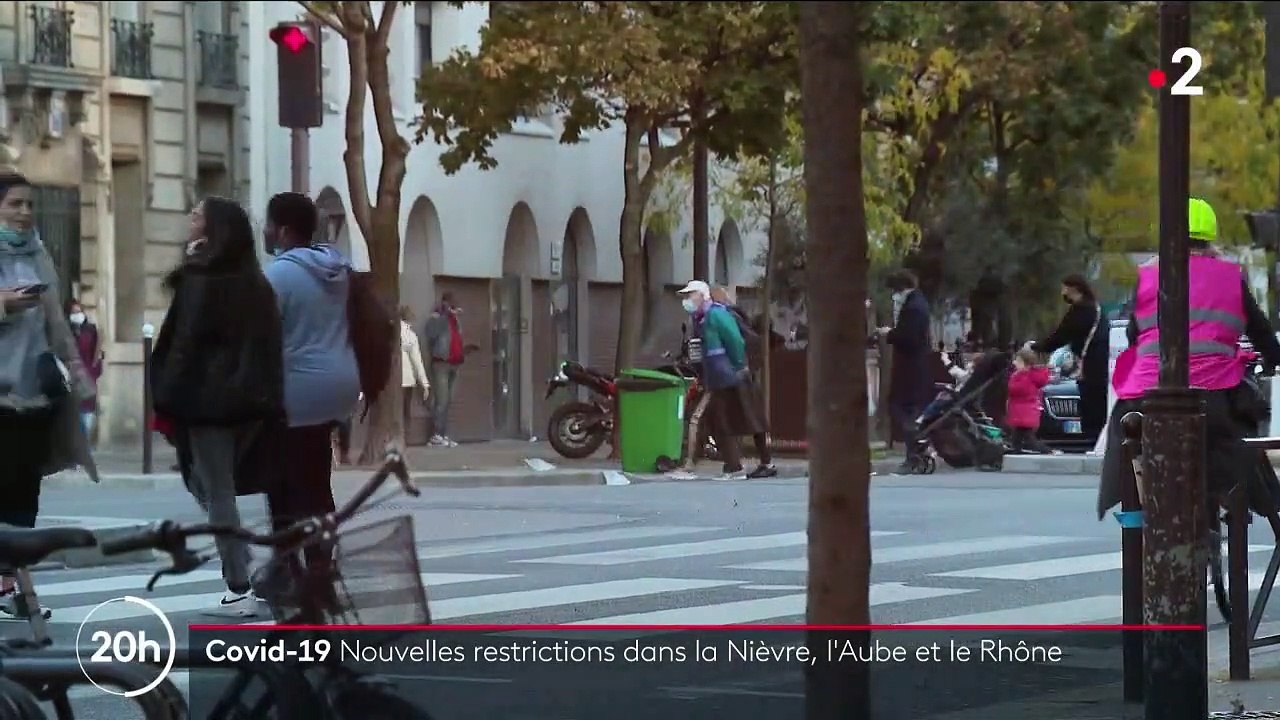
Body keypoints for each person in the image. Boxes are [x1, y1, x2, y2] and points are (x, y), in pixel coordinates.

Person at [1099, 197, 1280, 520]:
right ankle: (1241, 505)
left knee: (1127, 439)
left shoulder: (1148, 277)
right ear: (1209, 239)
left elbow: (1133, 337)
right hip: (1214, 396)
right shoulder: (1230, 278)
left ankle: (1139, 508)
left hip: (1147, 398)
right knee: (1241, 436)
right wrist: (1272, 360)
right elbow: (1263, 335)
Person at [150, 196, 284, 617]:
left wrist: (165, 394)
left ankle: (238, 584)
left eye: (197, 214)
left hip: (206, 402)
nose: (189, 217)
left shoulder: (203, 280)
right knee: (214, 487)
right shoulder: (255, 282)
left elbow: (183, 344)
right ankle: (245, 569)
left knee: (215, 490)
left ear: (214, 229)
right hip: (248, 402)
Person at [0, 172, 97, 619]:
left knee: (24, 494)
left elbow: (57, 322)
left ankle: (14, 586)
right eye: (15, 204)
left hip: (36, 390)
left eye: (29, 205)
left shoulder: (39, 253)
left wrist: (75, 370)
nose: (24, 213)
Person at [262, 192, 361, 572]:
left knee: (283, 484)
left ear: (284, 230)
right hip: (339, 383)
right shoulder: (338, 270)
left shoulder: (279, 274)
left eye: (270, 225)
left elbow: (262, 336)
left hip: (298, 387)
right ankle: (322, 556)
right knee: (317, 476)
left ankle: (293, 566)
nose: (267, 232)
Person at [677, 280, 771, 479]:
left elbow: (734, 340)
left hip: (729, 376)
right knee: (730, 420)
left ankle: (734, 466)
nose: (687, 299)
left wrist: (738, 365)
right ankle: (737, 465)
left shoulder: (716, 314)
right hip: (721, 376)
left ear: (703, 295)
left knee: (725, 420)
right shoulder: (701, 318)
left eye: (691, 294)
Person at [1029, 274, 1108, 444]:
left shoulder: (1081, 311)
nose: (1062, 291)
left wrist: (1038, 347)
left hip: (1090, 364)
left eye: (1064, 287)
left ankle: (1091, 437)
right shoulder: (1095, 308)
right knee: (1096, 400)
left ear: (1074, 288)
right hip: (1096, 362)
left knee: (1091, 401)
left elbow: (1062, 335)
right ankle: (1095, 436)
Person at [707, 285, 776, 477]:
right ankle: (763, 462)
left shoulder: (724, 317)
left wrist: (742, 366)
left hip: (734, 376)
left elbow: (744, 341)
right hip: (740, 375)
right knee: (752, 420)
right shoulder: (733, 315)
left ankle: (735, 465)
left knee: (725, 420)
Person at [878, 270, 932, 474]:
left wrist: (889, 334)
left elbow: (909, 337)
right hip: (913, 366)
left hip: (911, 366)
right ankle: (916, 450)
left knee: (903, 407)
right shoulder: (918, 303)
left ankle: (916, 450)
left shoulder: (914, 308)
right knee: (907, 407)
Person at [423, 292, 475, 446]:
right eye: (450, 303)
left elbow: (455, 341)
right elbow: (430, 334)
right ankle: (436, 435)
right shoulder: (437, 318)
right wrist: (445, 314)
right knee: (441, 400)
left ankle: (443, 434)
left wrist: (465, 351)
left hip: (454, 363)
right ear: (444, 302)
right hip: (441, 364)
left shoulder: (455, 320)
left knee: (448, 401)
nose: (454, 306)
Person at [1005, 348, 1055, 455]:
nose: (1015, 363)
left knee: (1028, 439)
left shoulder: (1024, 377)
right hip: (1022, 414)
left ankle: (1048, 451)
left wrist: (1012, 379)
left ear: (1026, 364)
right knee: (1017, 438)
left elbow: (1015, 390)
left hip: (1023, 414)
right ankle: (1015, 453)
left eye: (1018, 361)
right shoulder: (1022, 376)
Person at [66, 298, 103, 440]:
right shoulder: (66, 331)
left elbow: (97, 354)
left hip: (88, 377)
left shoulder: (91, 330)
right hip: (71, 378)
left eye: (79, 311)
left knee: (86, 417)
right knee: (74, 416)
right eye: (73, 312)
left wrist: (95, 369)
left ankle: (84, 449)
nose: (77, 314)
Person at [399, 305, 430, 441]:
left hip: (390, 381)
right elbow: (417, 361)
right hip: (406, 380)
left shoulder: (387, 331)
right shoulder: (410, 335)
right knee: (404, 411)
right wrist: (424, 383)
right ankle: (404, 438)